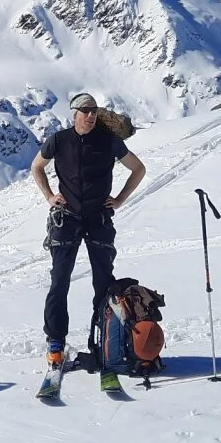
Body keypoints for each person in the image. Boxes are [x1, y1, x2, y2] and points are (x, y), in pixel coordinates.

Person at [30, 92, 146, 369]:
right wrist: (49, 197)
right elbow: (37, 167)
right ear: (74, 114)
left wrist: (119, 200)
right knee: (59, 281)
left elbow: (138, 169)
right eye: (85, 111)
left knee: (104, 284)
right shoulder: (59, 140)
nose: (90, 115)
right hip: (66, 218)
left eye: (94, 111)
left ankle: (105, 341)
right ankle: (56, 343)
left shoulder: (109, 142)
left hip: (98, 219)